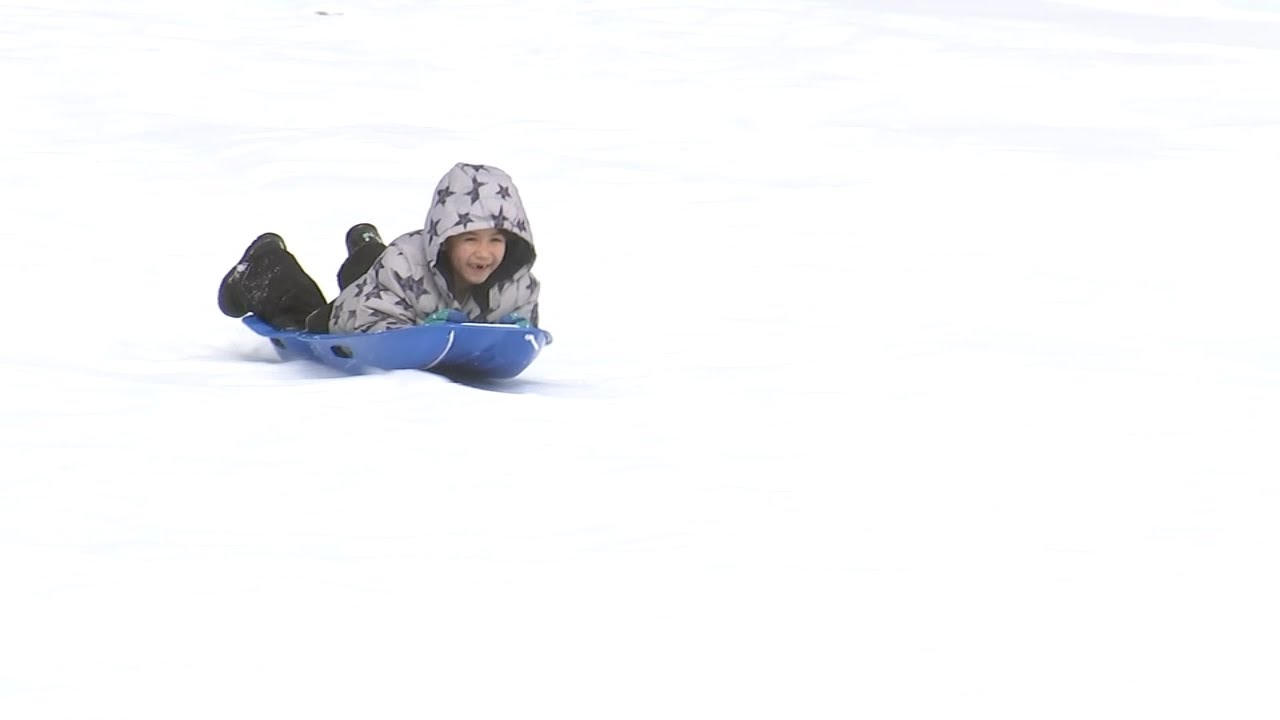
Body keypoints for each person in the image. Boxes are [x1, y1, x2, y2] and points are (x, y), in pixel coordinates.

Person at [217, 162, 541, 334]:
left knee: (379, 269)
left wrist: (517, 333)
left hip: (388, 279)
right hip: (356, 312)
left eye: (495, 240)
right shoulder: (404, 266)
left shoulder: (516, 282)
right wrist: (417, 335)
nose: (484, 253)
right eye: (470, 239)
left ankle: (367, 248)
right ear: (444, 242)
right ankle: (262, 263)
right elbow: (370, 325)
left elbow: (522, 326)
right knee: (307, 317)